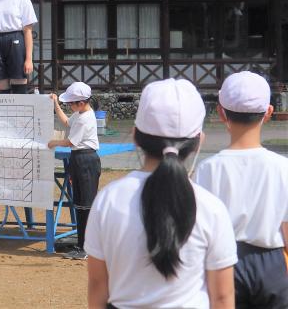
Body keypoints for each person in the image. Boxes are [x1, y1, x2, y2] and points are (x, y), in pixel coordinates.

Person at [85, 79, 237, 308]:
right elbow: (223, 297)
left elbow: (98, 285)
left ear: (135, 136)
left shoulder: (108, 199)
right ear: (198, 142)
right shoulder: (211, 208)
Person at [195, 71, 288, 308]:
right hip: (272, 263)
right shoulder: (282, 167)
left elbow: (200, 231)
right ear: (268, 112)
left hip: (223, 261)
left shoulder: (207, 169)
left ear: (220, 112)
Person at [47, 82, 101, 260]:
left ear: (81, 102)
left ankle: (85, 246)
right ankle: (82, 244)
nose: (69, 105)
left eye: (71, 103)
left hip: (86, 159)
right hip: (80, 159)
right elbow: (66, 122)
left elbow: (71, 141)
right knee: (80, 204)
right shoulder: (80, 113)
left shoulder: (85, 118)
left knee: (85, 205)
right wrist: (56, 104)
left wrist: (54, 142)